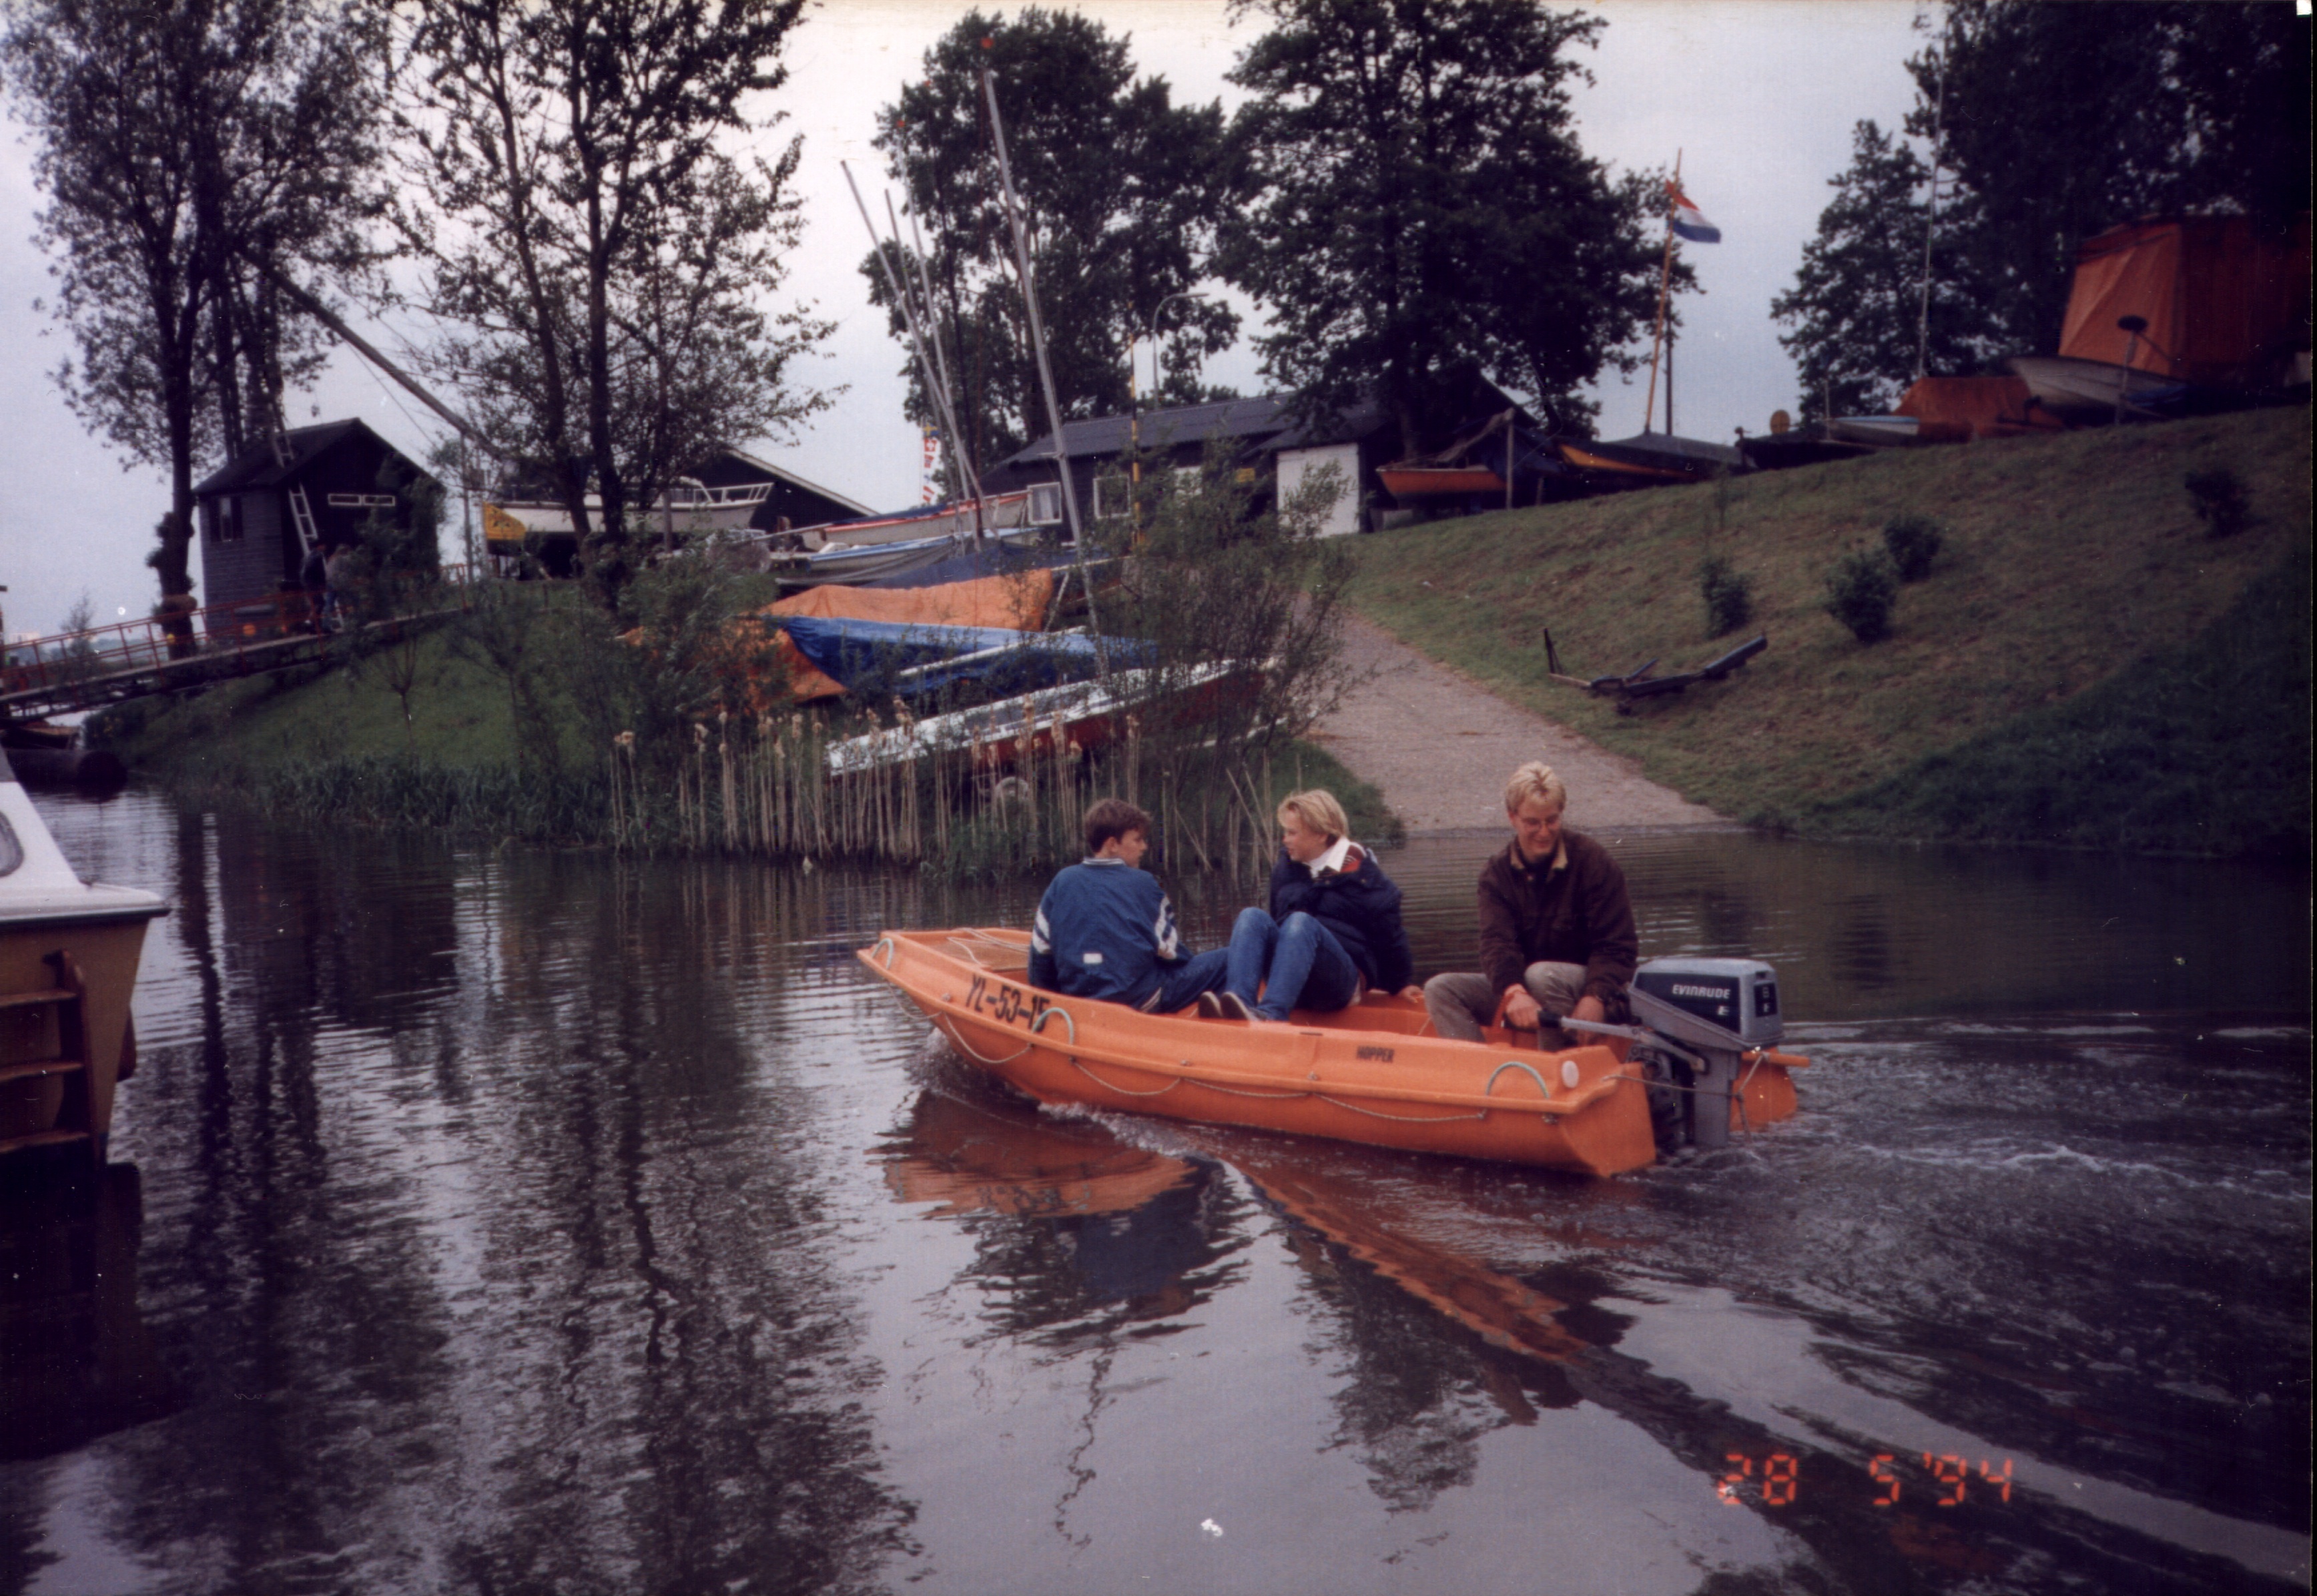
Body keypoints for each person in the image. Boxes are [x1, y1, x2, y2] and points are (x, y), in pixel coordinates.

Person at [1423, 762, 1637, 1044]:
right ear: (1512, 817)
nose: (1544, 832)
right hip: (1532, 991)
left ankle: (1556, 1071)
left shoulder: (1594, 862)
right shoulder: (1496, 875)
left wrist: (1595, 996)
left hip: (1592, 992)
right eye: (1532, 823)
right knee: (1440, 988)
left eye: (1552, 820)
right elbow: (1497, 944)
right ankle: (1477, 1074)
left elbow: (1618, 947)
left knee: (1542, 975)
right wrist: (1514, 991)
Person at [1207, 788, 1420, 1022]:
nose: (1285, 840)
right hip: (1293, 975)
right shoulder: (1285, 869)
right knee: (1251, 916)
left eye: (1292, 833)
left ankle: (1272, 1015)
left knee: (1300, 922)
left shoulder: (1363, 873)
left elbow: (1390, 934)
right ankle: (1239, 1004)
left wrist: (1399, 983)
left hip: (1338, 982)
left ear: (1321, 834)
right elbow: (1275, 920)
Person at [1028, 797, 1229, 1013]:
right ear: (1113, 844)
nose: (1145, 847)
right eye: (1138, 840)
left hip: (1078, 1001)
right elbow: (1172, 953)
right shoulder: (1144, 883)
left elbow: (1040, 956)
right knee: (1231, 956)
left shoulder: (1061, 882)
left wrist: (1054, 1003)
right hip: (1139, 1001)